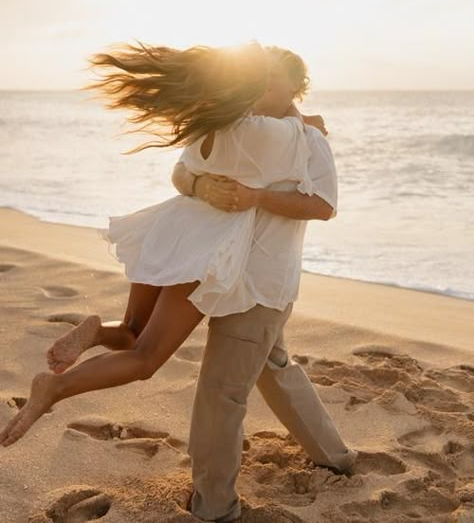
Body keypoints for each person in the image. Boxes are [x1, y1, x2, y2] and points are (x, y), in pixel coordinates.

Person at [0, 40, 316, 449]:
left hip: (167, 229)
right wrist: (299, 112)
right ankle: (55, 389)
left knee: (132, 332)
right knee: (146, 358)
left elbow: (181, 174)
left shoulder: (204, 121)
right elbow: (301, 133)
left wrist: (199, 182)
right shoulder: (263, 134)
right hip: (201, 249)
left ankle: (98, 332)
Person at [171, 48, 358, 521]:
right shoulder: (238, 123)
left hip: (261, 282)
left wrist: (258, 197)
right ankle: (335, 458)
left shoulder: (308, 140)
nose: (255, 89)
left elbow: (323, 205)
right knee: (274, 367)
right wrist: (198, 187)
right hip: (227, 275)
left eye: (267, 81)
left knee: (221, 391)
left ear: (292, 89)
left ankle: (214, 506)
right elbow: (182, 168)